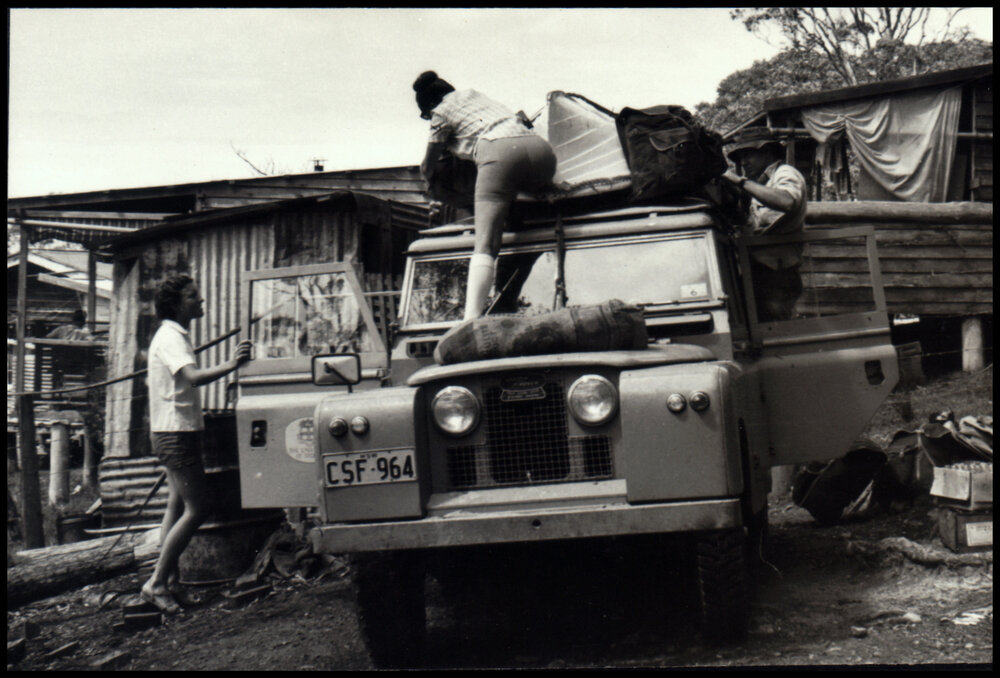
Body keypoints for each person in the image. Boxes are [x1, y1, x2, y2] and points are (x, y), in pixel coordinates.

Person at [141, 274, 252, 613]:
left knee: (175, 506)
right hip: (175, 434)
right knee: (197, 509)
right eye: (193, 296)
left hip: (175, 431)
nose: (200, 300)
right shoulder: (171, 337)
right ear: (176, 303)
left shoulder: (173, 336)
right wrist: (233, 364)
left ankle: (170, 582)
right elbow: (192, 377)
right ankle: (156, 583)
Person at [414, 71, 557, 321]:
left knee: (486, 245)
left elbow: (429, 164)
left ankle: (470, 322)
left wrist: (428, 180)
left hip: (500, 153)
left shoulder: (441, 113)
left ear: (430, 105)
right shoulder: (474, 96)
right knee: (527, 212)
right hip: (542, 153)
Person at [721, 127, 808, 321]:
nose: (743, 162)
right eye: (740, 157)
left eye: (748, 155)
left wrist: (740, 182)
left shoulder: (785, 173)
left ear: (767, 152)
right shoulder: (761, 183)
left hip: (777, 274)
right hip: (760, 271)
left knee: (774, 335)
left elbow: (786, 201)